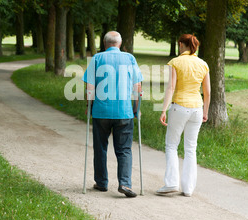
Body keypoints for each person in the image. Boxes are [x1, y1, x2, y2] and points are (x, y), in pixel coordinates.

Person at [82, 31, 143, 198]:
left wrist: (89, 105)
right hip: (124, 111)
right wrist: (136, 108)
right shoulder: (130, 58)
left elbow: (90, 87)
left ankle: (101, 183)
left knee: (100, 147)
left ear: (104, 43)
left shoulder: (97, 58)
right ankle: (125, 183)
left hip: (101, 111)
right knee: (124, 149)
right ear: (120, 44)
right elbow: (137, 86)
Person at [157, 34, 211, 197]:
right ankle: (188, 188)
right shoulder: (203, 64)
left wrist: (164, 109)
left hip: (179, 107)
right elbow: (207, 92)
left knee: (172, 145)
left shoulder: (175, 62)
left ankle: (171, 183)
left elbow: (171, 88)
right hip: (197, 109)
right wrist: (206, 112)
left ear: (181, 44)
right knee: (190, 148)